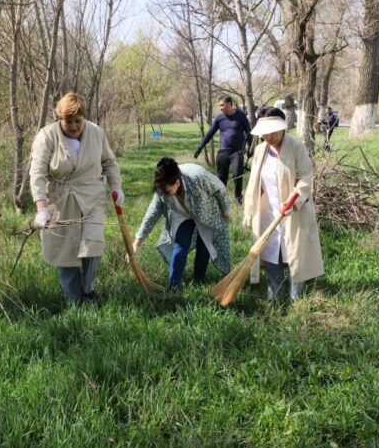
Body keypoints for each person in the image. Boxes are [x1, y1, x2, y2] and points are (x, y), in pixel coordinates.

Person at [30, 92, 124, 306]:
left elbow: (109, 162)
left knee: (93, 245)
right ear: (59, 119)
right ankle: (73, 298)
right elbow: (37, 173)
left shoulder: (96, 133)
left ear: (84, 117)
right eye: (68, 121)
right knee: (67, 250)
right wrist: (41, 206)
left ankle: (88, 290)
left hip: (92, 197)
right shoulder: (47, 136)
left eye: (77, 121)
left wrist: (116, 187)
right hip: (62, 200)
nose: (73, 126)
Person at [242, 108, 324, 300]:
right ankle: (275, 295)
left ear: (283, 129)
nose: (268, 137)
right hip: (270, 212)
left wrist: (294, 197)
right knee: (272, 253)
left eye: (273, 132)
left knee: (295, 254)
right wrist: (249, 211)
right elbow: (253, 183)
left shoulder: (296, 147)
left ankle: (297, 298)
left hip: (295, 212)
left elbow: (306, 177)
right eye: (265, 133)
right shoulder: (260, 150)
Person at [133, 157, 231, 291]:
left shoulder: (197, 176)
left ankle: (198, 281)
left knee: (204, 247)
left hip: (206, 211)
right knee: (180, 246)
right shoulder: (162, 190)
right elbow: (151, 215)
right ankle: (174, 286)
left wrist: (225, 209)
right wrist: (136, 243)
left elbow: (219, 188)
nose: (165, 195)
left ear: (177, 183)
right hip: (181, 214)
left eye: (168, 191)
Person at [194, 95, 252, 204]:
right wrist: (200, 147)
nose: (220, 108)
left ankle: (238, 197)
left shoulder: (241, 116)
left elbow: (249, 132)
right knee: (221, 177)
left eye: (222, 105)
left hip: (237, 152)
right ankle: (222, 199)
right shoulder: (219, 118)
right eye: (219, 106)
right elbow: (209, 134)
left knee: (237, 174)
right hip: (223, 152)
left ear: (230, 104)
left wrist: (251, 148)